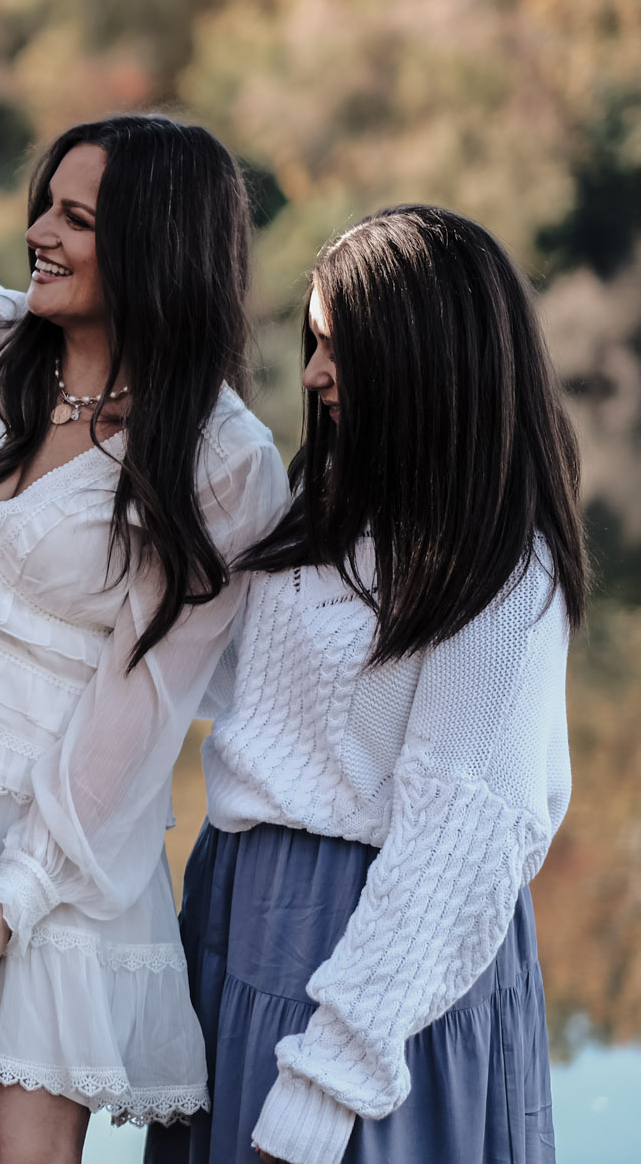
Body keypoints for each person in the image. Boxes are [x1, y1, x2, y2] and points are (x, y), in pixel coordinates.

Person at [0, 115, 290, 1160]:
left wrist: (19, 888)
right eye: (44, 206)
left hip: (52, 842)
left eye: (75, 219)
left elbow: (143, 704)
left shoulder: (221, 458)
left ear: (154, 250)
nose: (38, 232)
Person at [146, 205, 586, 1164]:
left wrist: (330, 1079)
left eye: (338, 347)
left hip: (373, 950)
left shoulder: (500, 568)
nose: (313, 373)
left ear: (425, 355)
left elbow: (462, 841)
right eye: (314, 343)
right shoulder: (330, 498)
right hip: (246, 908)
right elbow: (254, 692)